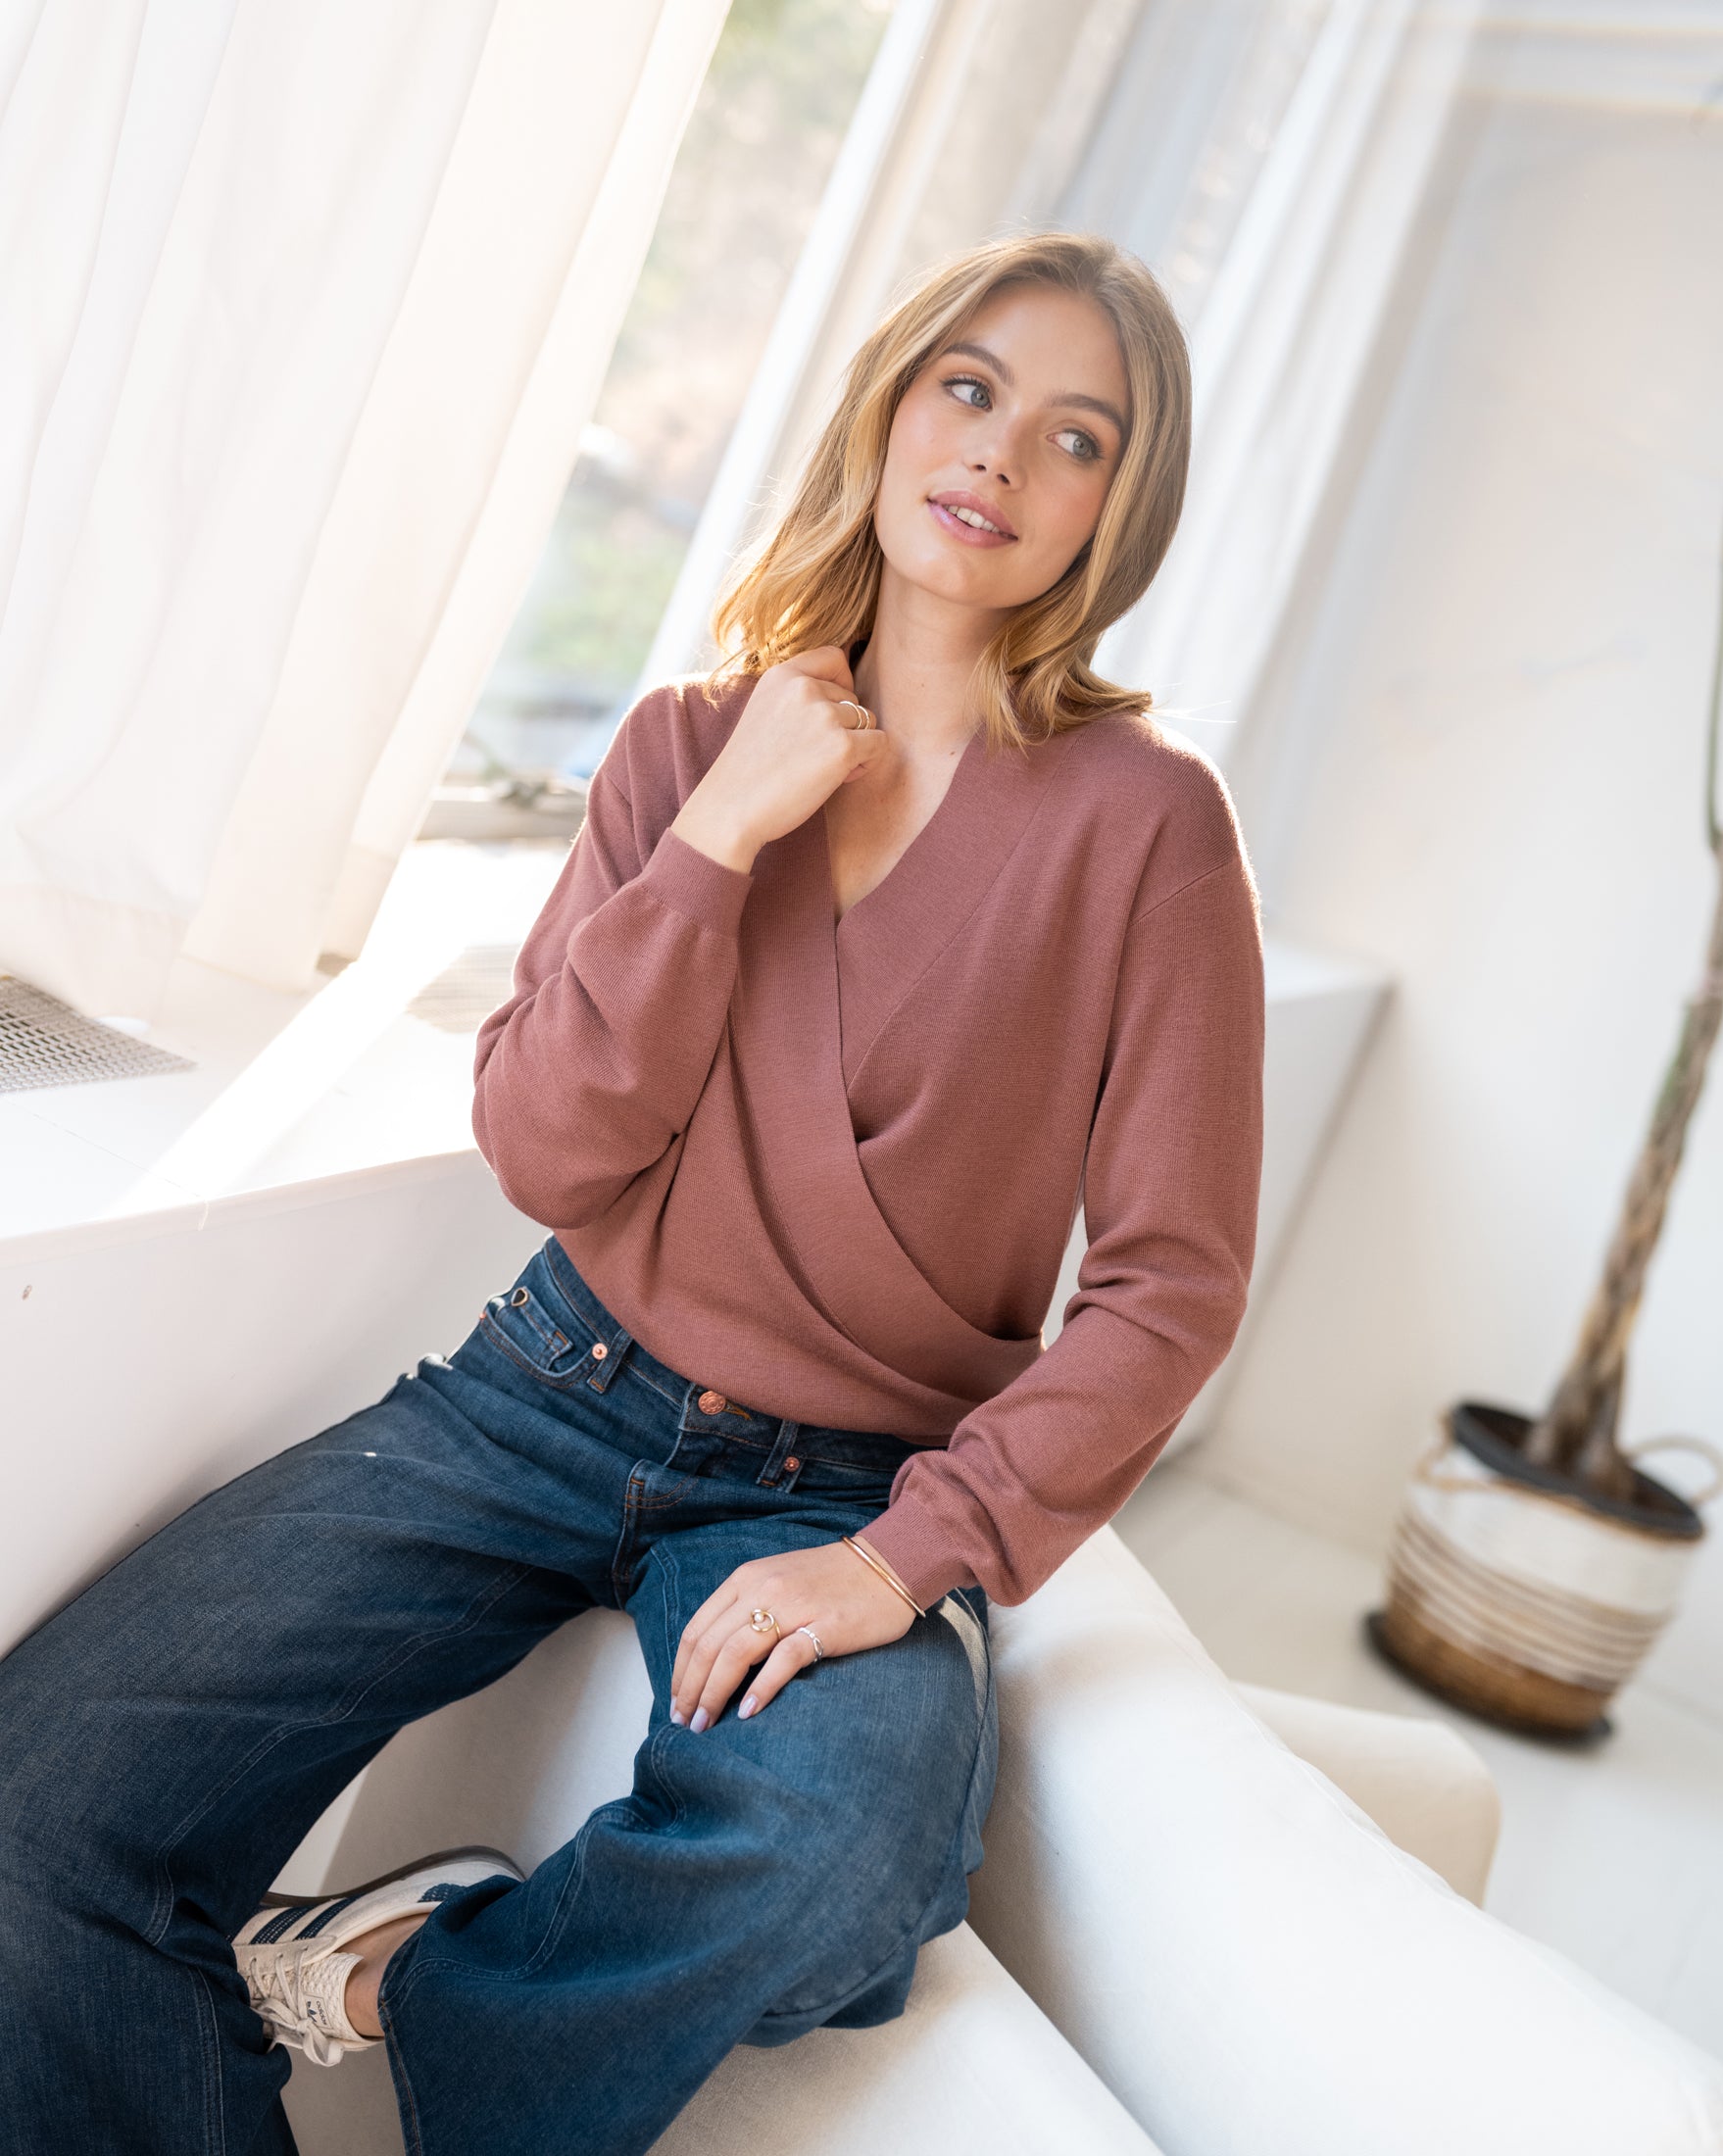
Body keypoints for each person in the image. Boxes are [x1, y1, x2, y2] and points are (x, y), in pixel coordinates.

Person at [0, 228, 1263, 2156]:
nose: (1001, 455)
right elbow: (546, 1146)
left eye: (1077, 437)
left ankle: (391, 1976)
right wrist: (719, 835)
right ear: (892, 404)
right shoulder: (688, 744)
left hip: (849, 1486)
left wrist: (903, 1557)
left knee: (843, 1866)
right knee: (44, 1788)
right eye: (971, 389)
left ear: (1120, 507)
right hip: (544, 1390)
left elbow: (1173, 1281)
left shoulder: (1150, 824)